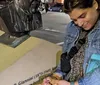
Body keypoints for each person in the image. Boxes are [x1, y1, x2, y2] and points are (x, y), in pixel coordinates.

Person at [40, 0, 100, 85]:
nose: (79, 23)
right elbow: (66, 59)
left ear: (95, 4)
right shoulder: (72, 28)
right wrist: (55, 77)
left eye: (82, 16)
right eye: (74, 20)